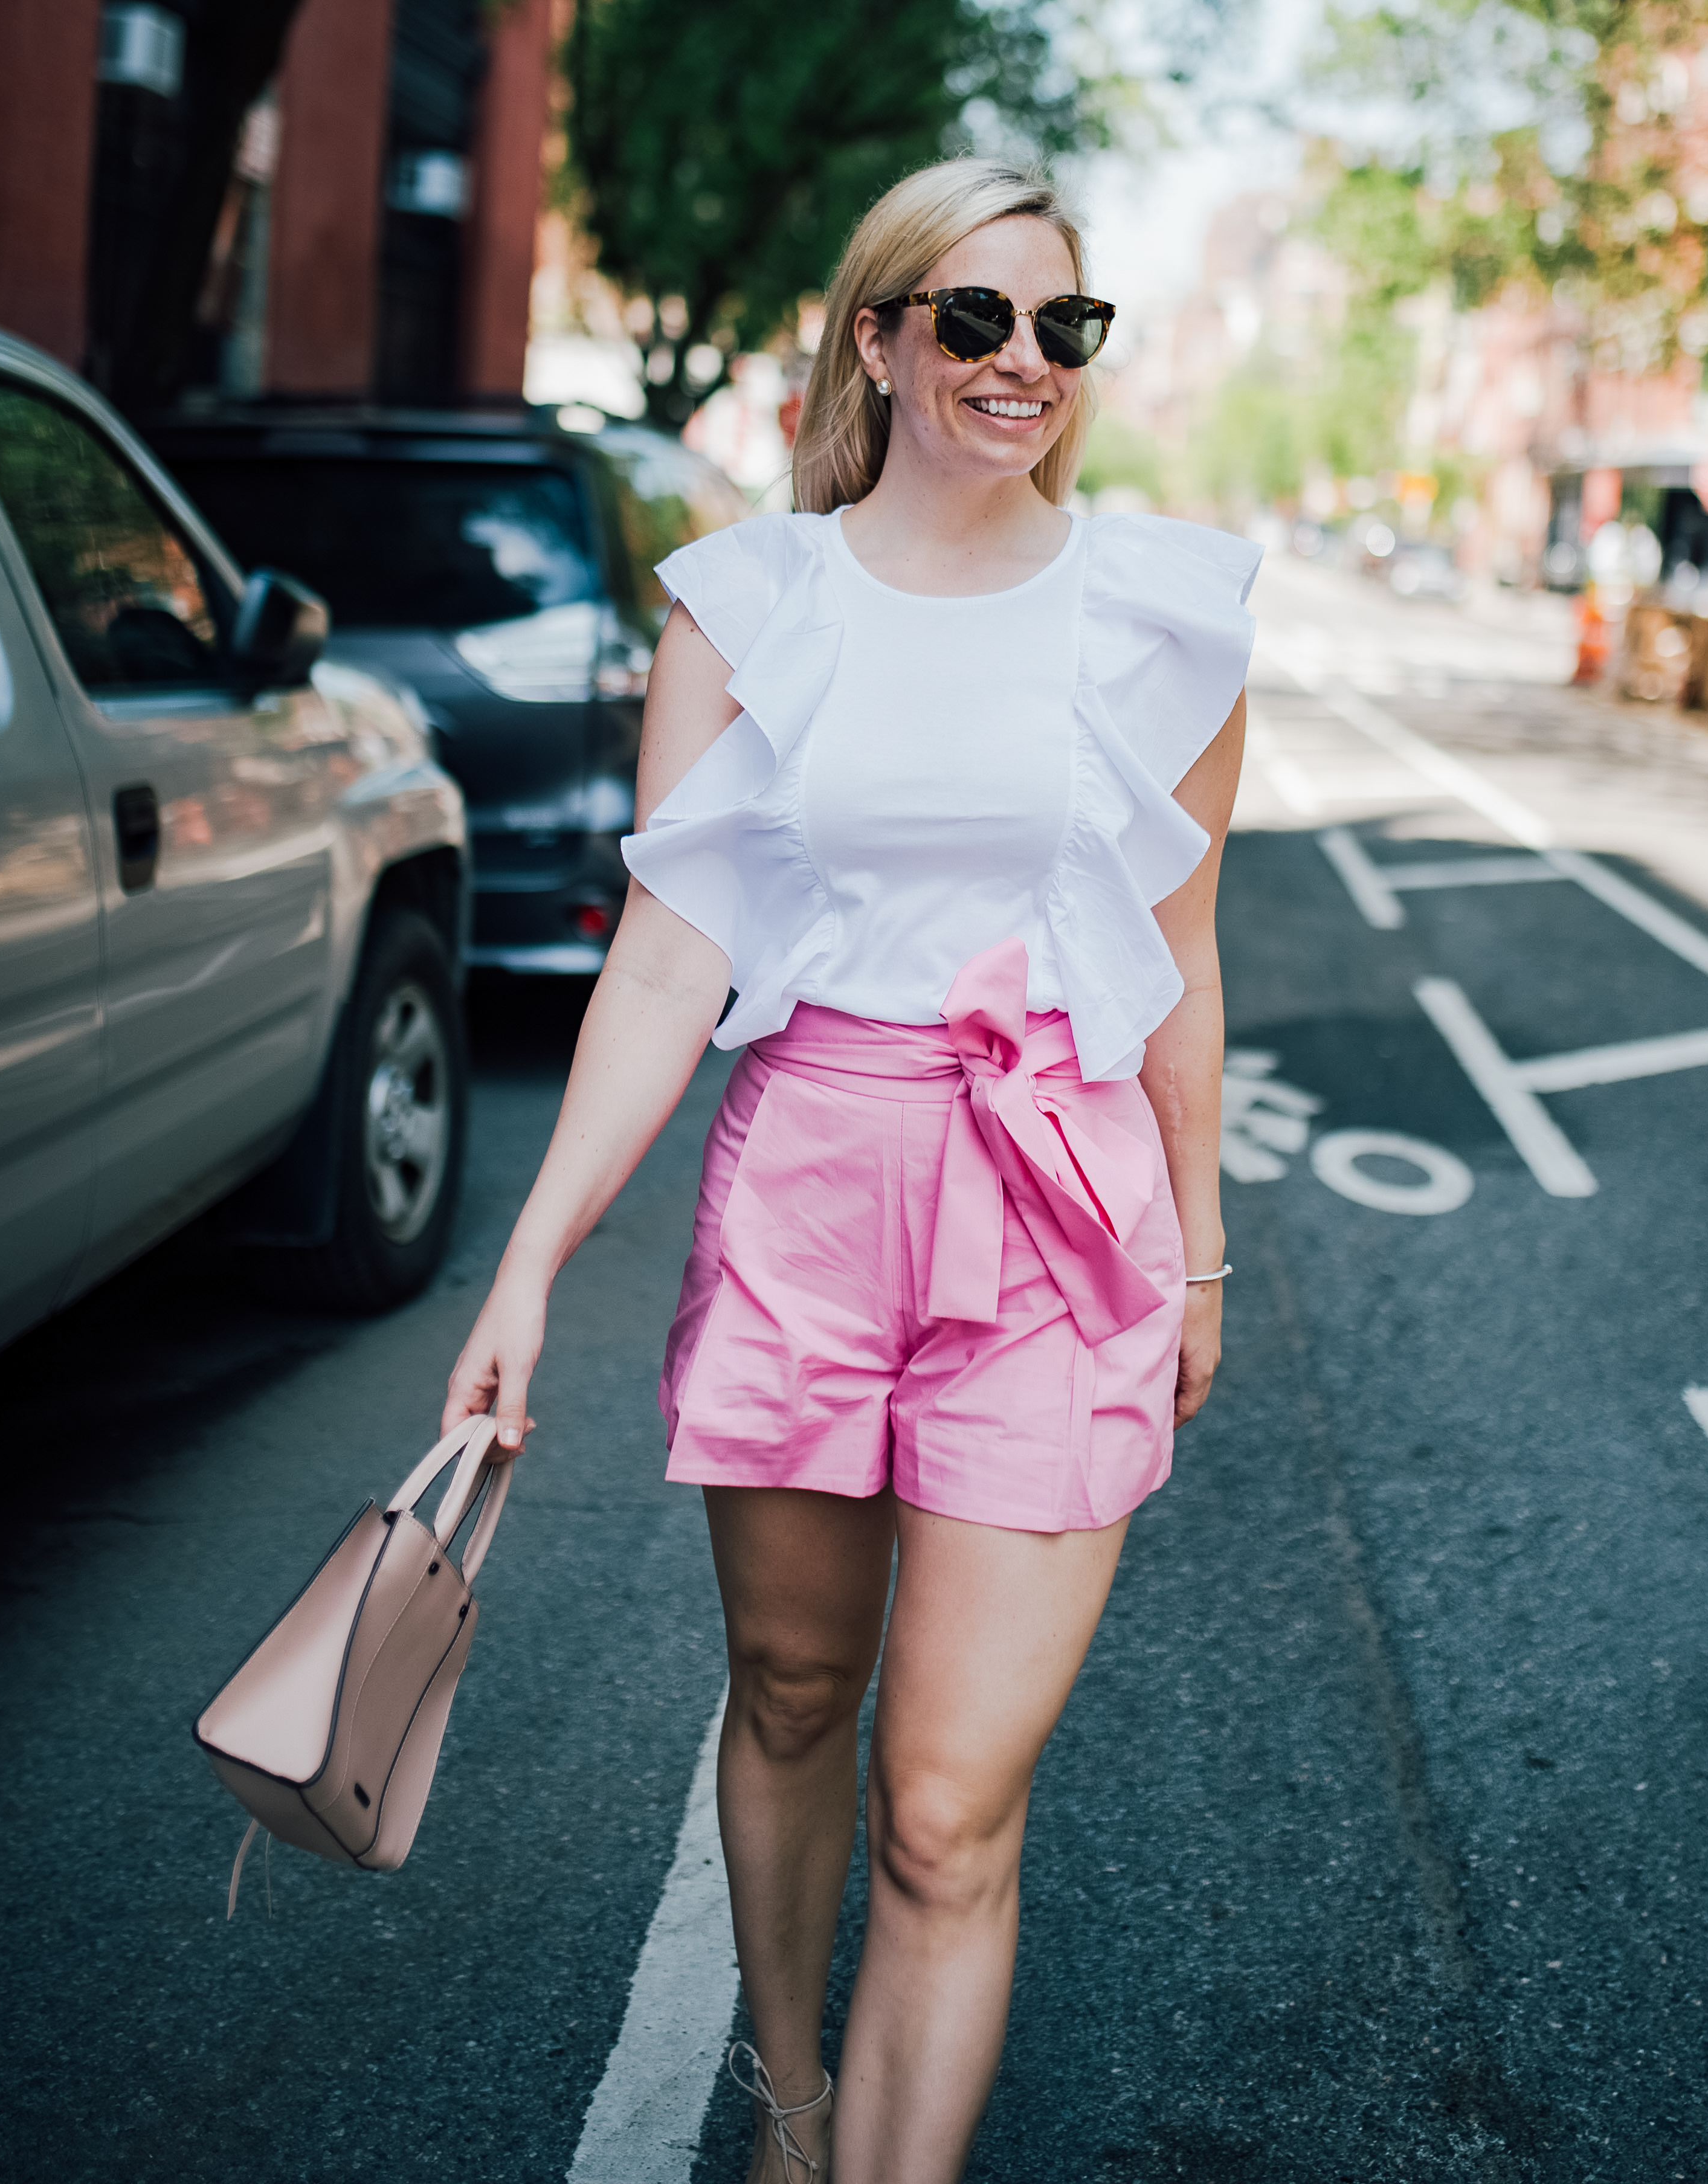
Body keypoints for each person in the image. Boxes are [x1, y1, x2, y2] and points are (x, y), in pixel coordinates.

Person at [443, 159, 1255, 2184]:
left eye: (1060, 328)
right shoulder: (754, 604)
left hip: (1065, 1207)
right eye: (972, 321)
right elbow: (667, 950)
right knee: (795, 1692)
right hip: (816, 1176)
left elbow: (1187, 960)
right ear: (879, 340)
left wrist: (1206, 1258)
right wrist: (529, 1264)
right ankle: (789, 2098)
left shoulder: (1162, 614)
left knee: (947, 1808)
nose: (1020, 365)